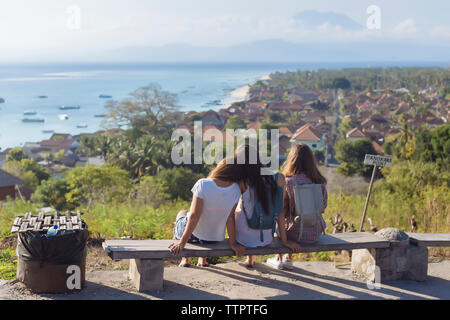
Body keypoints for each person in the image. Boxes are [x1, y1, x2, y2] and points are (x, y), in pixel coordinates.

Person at [169, 156, 246, 267]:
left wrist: (182, 243)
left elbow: (195, 216)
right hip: (213, 239)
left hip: (193, 237)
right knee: (201, 218)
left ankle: (185, 259)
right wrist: (233, 243)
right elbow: (230, 217)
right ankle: (202, 260)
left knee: (182, 213)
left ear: (220, 168)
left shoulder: (203, 184)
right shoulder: (236, 190)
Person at [234, 144, 301, 268]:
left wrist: (233, 242)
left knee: (240, 208)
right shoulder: (279, 178)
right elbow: (280, 212)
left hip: (243, 239)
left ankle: (249, 259)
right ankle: (250, 258)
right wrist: (285, 241)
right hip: (266, 238)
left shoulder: (240, 180)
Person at [266, 144, 328, 270]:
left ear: (292, 159)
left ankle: (280, 258)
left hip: (293, 235)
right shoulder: (320, 182)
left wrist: (285, 242)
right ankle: (288, 258)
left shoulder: (288, 182)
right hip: (315, 234)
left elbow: (280, 212)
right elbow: (323, 208)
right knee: (292, 220)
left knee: (281, 220)